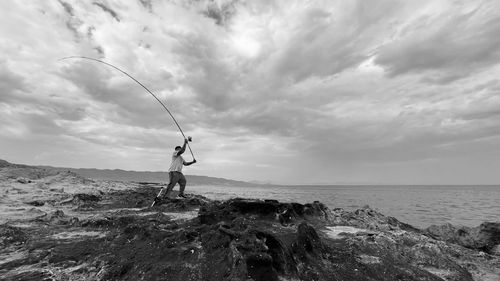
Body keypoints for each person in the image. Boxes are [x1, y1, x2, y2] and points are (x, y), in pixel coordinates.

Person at [153, 139, 196, 204]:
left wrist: (192, 162)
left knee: (183, 182)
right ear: (177, 149)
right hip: (173, 171)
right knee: (171, 184)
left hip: (179, 172)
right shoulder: (175, 153)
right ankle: (166, 197)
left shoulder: (181, 157)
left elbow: (186, 164)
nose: (180, 150)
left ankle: (180, 194)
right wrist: (185, 143)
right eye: (180, 149)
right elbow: (182, 151)